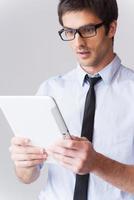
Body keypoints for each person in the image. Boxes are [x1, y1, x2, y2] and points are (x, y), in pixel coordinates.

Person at [9, 0, 134, 199]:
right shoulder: (50, 90)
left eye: (87, 30)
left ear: (111, 28)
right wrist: (25, 164)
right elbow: (27, 176)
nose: (78, 43)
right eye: (69, 32)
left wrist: (97, 163)